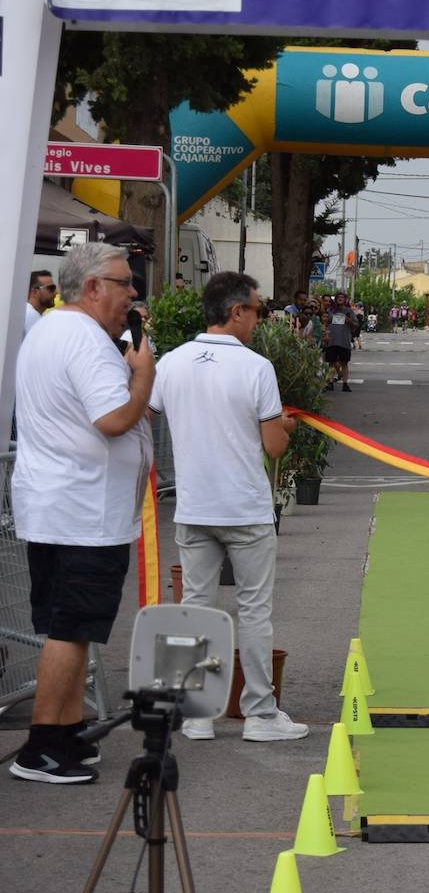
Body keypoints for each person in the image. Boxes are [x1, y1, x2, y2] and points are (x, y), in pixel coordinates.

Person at [8, 243, 154, 783]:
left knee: (66, 625)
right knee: (70, 627)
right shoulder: (85, 340)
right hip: (83, 510)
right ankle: (42, 746)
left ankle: (65, 733)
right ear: (92, 287)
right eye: (124, 283)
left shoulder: (51, 329)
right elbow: (114, 418)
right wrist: (143, 373)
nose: (132, 293)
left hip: (61, 503)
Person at [148, 272, 308, 743]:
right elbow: (274, 446)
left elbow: (150, 417)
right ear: (236, 311)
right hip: (244, 507)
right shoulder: (256, 368)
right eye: (257, 310)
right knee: (254, 609)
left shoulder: (171, 363)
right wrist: (287, 425)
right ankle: (258, 712)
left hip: (194, 504)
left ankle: (195, 713)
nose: (260, 319)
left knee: (194, 605)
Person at [324, 294, 357, 392]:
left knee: (344, 363)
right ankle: (330, 382)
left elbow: (356, 325)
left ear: (345, 300)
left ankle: (345, 383)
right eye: (338, 297)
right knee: (331, 363)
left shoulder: (349, 311)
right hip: (332, 340)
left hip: (344, 341)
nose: (340, 299)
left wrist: (349, 321)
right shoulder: (330, 310)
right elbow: (325, 322)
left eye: (342, 297)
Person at [25, 270, 57, 335]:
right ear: (35, 292)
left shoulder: (32, 314)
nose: (55, 292)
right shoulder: (30, 315)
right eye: (51, 288)